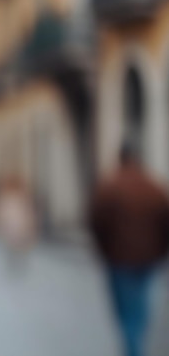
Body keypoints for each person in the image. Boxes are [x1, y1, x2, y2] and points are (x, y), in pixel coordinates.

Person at [87, 143, 169, 356]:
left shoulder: (109, 187)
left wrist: (103, 250)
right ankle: (135, 341)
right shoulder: (155, 187)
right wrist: (161, 252)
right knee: (140, 305)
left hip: (119, 259)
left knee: (125, 310)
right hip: (148, 260)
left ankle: (133, 348)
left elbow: (96, 222)